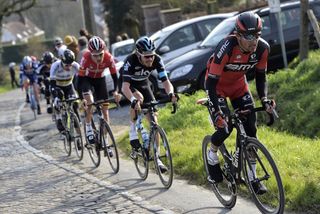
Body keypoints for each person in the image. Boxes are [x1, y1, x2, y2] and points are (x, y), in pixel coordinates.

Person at [205, 11, 276, 195]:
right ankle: (212, 154)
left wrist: (265, 100)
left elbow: (261, 77)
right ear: (237, 35)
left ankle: (252, 177)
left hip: (238, 87)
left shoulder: (262, 49)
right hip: (217, 88)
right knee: (224, 128)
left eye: (257, 35)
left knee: (251, 130)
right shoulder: (226, 47)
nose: (254, 41)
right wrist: (218, 113)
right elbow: (210, 83)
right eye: (249, 36)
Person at [121, 36, 178, 172]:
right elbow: (125, 88)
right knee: (138, 99)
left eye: (151, 56)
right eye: (146, 57)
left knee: (154, 120)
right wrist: (133, 100)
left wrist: (171, 93)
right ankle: (133, 130)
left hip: (144, 83)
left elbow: (165, 81)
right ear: (139, 54)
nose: (150, 59)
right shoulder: (130, 60)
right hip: (129, 84)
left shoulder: (157, 59)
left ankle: (157, 158)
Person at [77, 36, 121, 146]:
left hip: (100, 81)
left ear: (104, 51)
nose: (98, 58)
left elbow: (115, 77)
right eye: (95, 55)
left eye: (100, 54)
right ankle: (88, 128)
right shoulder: (86, 58)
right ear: (90, 53)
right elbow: (80, 80)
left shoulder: (108, 57)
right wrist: (82, 98)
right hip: (87, 80)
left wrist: (116, 91)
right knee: (90, 103)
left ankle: (105, 140)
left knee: (106, 112)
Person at [49, 49, 80, 132]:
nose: (69, 67)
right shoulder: (55, 66)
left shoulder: (76, 66)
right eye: (66, 65)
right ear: (62, 61)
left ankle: (79, 135)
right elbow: (52, 84)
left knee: (75, 105)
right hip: (57, 87)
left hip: (69, 86)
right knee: (58, 101)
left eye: (71, 64)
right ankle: (59, 118)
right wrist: (55, 97)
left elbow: (83, 79)